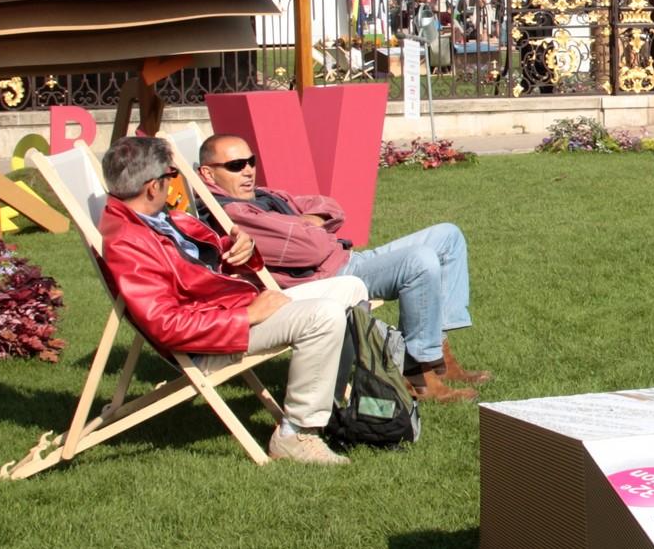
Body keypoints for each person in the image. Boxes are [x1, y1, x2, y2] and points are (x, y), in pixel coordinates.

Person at [99, 136, 369, 465]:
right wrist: (249, 316)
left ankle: (328, 405)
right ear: (153, 186)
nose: (174, 183)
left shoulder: (159, 218)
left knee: (350, 288)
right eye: (170, 177)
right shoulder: (129, 243)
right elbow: (166, 324)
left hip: (230, 309)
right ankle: (296, 434)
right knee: (324, 315)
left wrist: (244, 249)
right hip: (213, 339)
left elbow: (206, 268)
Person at [197, 133, 485, 402]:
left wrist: (308, 224)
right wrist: (309, 225)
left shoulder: (262, 197)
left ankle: (439, 359)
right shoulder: (233, 213)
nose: (248, 171)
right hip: (327, 279)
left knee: (448, 236)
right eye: (236, 165)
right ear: (208, 174)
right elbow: (313, 249)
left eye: (251, 162)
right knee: (420, 262)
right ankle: (418, 372)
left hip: (344, 259)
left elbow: (331, 207)